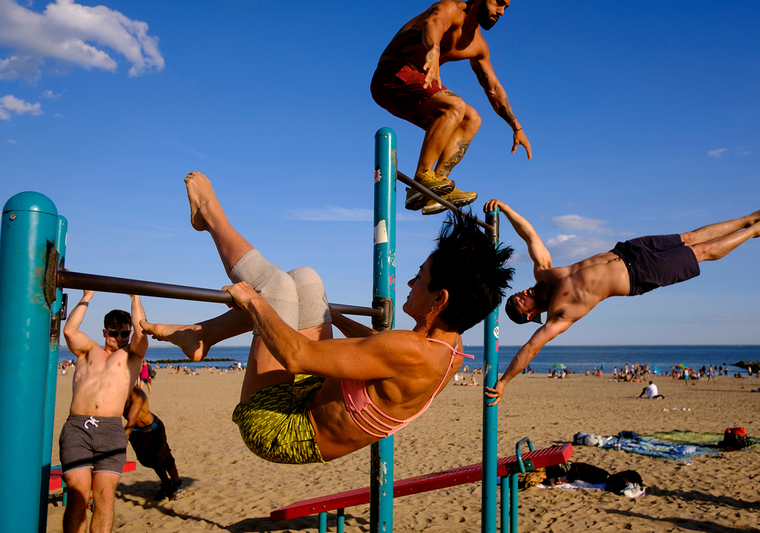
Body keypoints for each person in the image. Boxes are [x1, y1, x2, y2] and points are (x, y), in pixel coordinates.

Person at [141, 172, 513, 464]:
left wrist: (253, 301)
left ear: (439, 300)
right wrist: (331, 314)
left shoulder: (410, 350)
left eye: (420, 277)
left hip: (280, 427)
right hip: (308, 396)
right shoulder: (449, 345)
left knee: (275, 289)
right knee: (306, 280)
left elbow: (298, 357)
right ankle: (201, 336)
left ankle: (210, 217)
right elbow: (378, 350)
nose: (412, 282)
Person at [483, 199, 760, 405]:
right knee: (704, 252)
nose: (521, 294)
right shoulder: (559, 316)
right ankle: (756, 230)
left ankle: (750, 218)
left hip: (629, 250)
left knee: (691, 237)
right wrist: (506, 380)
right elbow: (530, 349)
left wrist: (507, 209)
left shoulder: (544, 274)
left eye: (516, 294)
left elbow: (531, 238)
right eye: (518, 302)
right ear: (527, 317)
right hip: (638, 275)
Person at [371, 0, 532, 216]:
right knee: (455, 106)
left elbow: (493, 87)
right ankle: (423, 176)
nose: (501, 12)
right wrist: (433, 49)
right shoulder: (451, 8)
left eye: (506, 8)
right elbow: (433, 21)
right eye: (499, 3)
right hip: (392, 73)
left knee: (471, 118)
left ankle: (434, 188)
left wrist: (516, 127)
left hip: (418, 84)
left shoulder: (478, 45)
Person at [59, 292, 148, 533]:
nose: (118, 338)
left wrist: (135, 298)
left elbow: (141, 335)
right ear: (104, 332)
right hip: (78, 427)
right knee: (78, 493)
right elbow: (69, 332)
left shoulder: (131, 356)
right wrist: (87, 296)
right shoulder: (88, 351)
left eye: (123, 333)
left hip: (110, 429)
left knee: (105, 495)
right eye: (113, 332)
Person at [123, 385, 187, 501]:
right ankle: (166, 483)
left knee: (164, 458)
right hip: (136, 432)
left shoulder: (137, 394)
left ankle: (178, 484)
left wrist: (119, 440)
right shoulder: (117, 396)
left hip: (153, 429)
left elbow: (131, 421)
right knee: (148, 460)